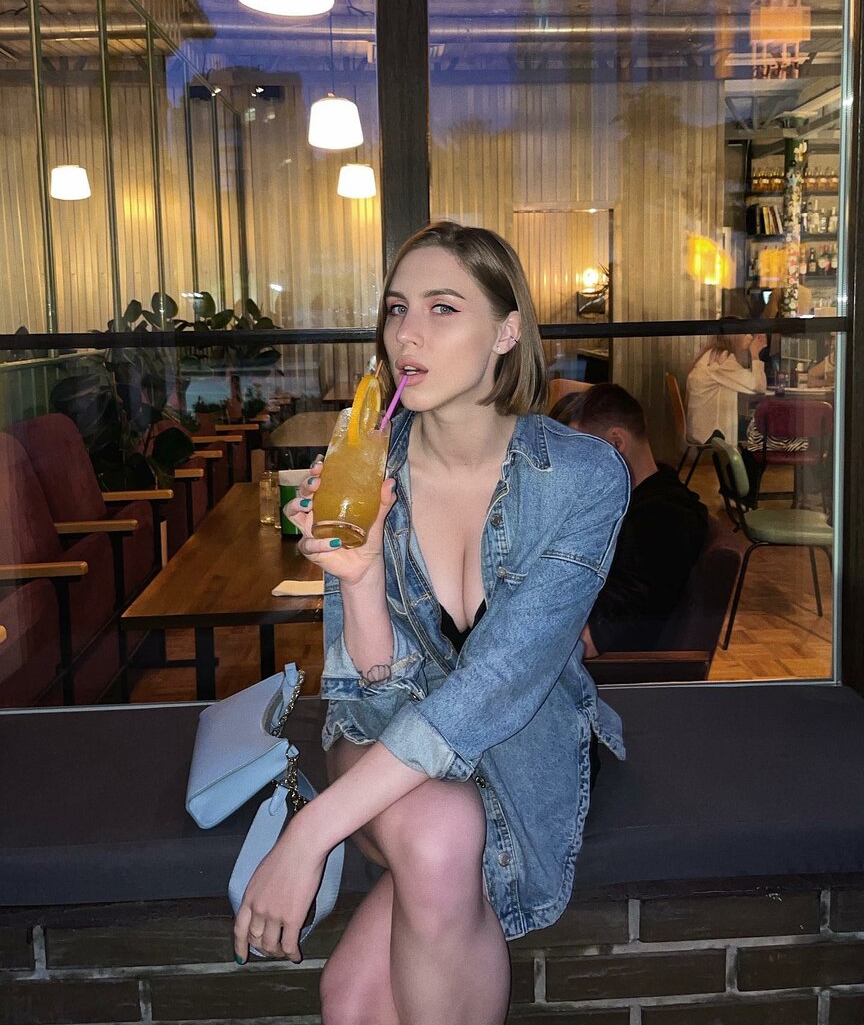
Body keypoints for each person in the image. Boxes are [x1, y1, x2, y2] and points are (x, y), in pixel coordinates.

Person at [233, 221, 630, 1024]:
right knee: (439, 834)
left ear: (507, 331)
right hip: (381, 736)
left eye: (443, 308)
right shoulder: (363, 464)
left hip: (521, 744)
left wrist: (308, 835)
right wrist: (360, 576)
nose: (406, 335)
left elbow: (499, 686)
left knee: (354, 1000)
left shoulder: (582, 477)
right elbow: (369, 693)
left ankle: (421, 880)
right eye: (396, 309)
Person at [549, 384, 708, 657]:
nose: (573, 470)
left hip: (609, 673)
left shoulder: (659, 520)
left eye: (580, 455)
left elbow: (593, 639)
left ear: (616, 443)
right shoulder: (636, 502)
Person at [686, 325, 768, 445]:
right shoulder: (721, 360)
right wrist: (755, 355)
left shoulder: (713, 355)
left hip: (700, 429)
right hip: (712, 434)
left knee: (756, 427)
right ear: (733, 337)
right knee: (763, 431)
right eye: (745, 334)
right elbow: (759, 386)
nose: (750, 337)